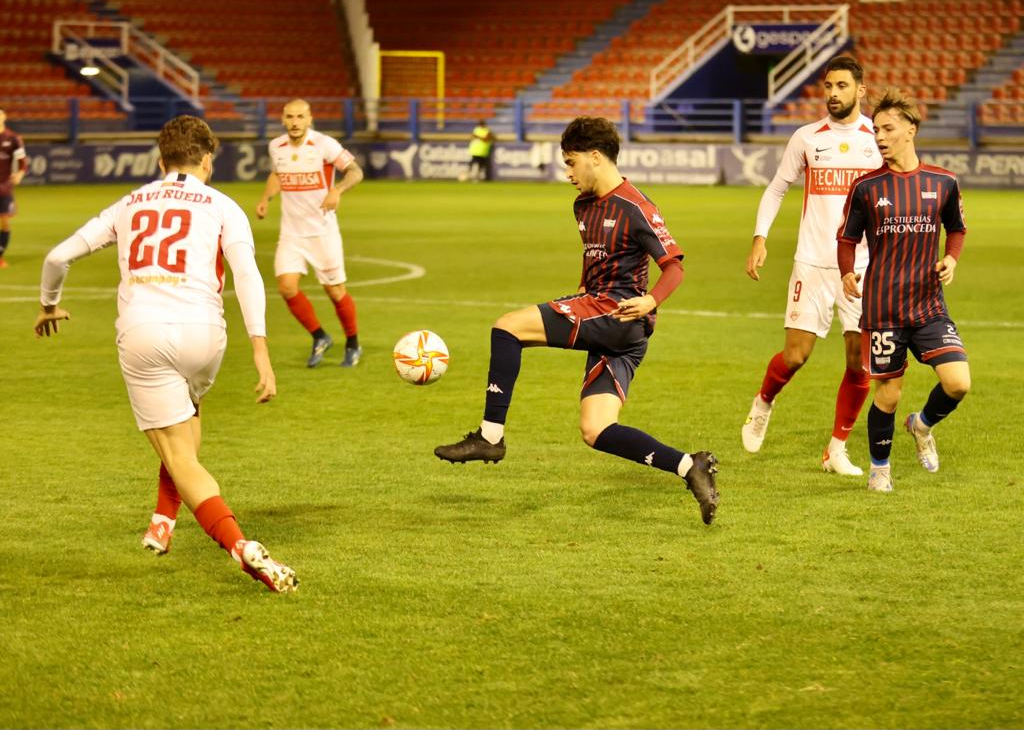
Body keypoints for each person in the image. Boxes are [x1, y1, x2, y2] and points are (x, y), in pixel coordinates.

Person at [34, 115, 297, 593]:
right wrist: (261, 349)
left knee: (179, 455)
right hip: (205, 336)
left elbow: (57, 257)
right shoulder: (223, 205)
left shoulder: (129, 203)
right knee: (185, 427)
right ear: (208, 160)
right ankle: (162, 519)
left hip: (145, 334)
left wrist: (49, 304)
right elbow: (247, 276)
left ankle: (242, 549)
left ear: (161, 160)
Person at [434, 116, 719, 525]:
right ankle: (689, 465)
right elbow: (598, 263)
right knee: (596, 429)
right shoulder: (583, 205)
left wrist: (650, 299)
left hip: (618, 313)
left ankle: (490, 437)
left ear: (596, 157)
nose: (567, 173)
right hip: (607, 318)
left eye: (571, 163)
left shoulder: (636, 207)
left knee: (507, 327)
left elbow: (674, 267)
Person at [741, 55, 882, 475]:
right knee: (796, 355)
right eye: (828, 86)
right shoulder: (807, 137)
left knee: (860, 361)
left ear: (860, 90)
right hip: (813, 264)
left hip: (863, 266)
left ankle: (836, 449)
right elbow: (778, 187)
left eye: (842, 86)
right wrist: (760, 237)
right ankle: (763, 402)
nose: (833, 94)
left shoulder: (879, 135)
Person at [837, 89, 970, 492]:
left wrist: (951, 259)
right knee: (889, 394)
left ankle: (922, 424)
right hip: (883, 308)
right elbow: (847, 238)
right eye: (875, 129)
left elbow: (957, 228)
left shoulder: (942, 181)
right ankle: (880, 468)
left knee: (958, 383)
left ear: (910, 130)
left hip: (929, 306)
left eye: (888, 128)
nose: (878, 135)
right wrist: (846, 272)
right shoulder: (866, 187)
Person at [256, 98, 364, 368]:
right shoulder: (276, 147)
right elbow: (277, 175)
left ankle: (353, 343)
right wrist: (265, 199)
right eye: (290, 117)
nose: (294, 122)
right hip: (291, 233)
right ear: (283, 120)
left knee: (335, 291)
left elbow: (355, 171)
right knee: (287, 287)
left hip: (322, 232)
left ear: (310, 119)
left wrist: (336, 190)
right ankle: (320, 336)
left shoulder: (324, 145)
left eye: (300, 117)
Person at [0, 107, 28, 269]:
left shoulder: (13, 138)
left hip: (4, 186)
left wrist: (19, 174)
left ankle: (0, 256)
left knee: (4, 220)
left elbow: (23, 162)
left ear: (4, 116)